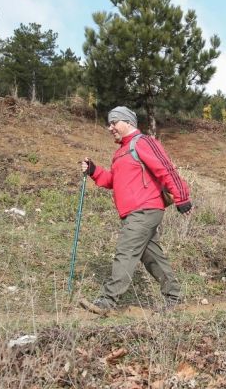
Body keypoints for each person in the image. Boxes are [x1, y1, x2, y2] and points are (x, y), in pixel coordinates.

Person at [80, 106, 192, 312]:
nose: (110, 127)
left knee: (126, 251)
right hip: (133, 212)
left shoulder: (143, 142)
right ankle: (175, 298)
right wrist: (94, 171)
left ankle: (107, 302)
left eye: (114, 123)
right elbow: (112, 180)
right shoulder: (121, 152)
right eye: (109, 123)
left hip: (145, 209)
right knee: (151, 257)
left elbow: (166, 169)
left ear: (128, 122)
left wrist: (182, 197)